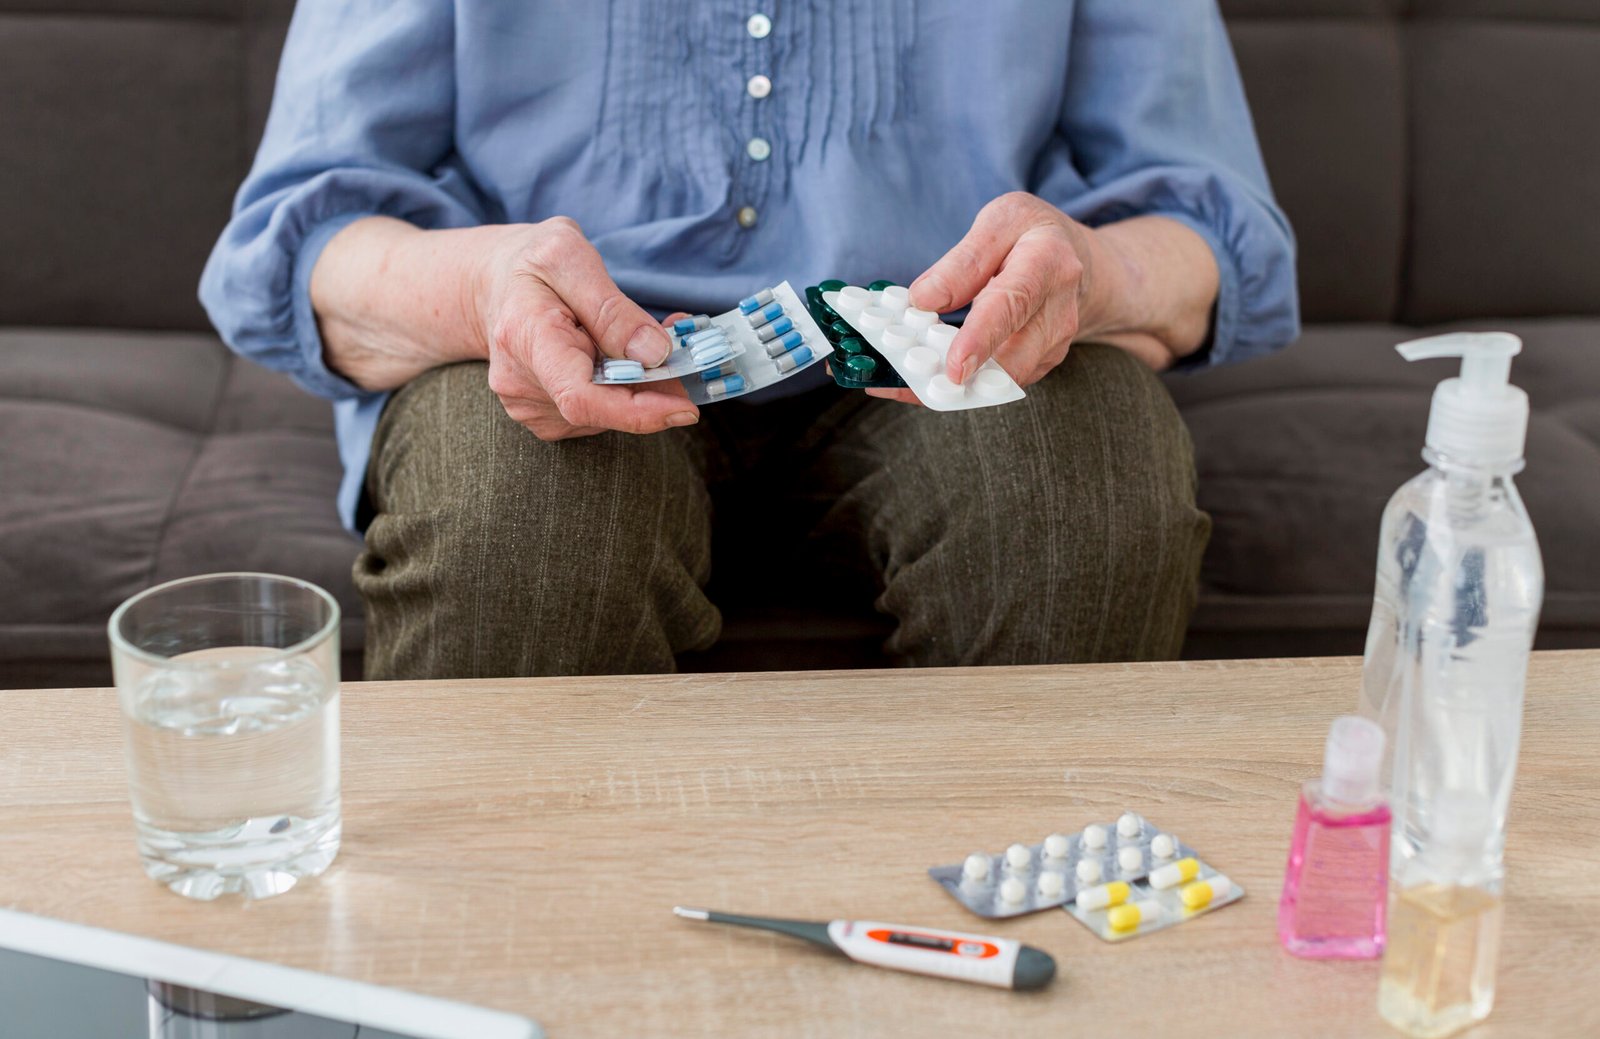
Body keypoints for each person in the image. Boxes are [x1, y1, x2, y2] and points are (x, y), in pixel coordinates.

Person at [201, 2, 1298, 679]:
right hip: (557, 360)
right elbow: (299, 244)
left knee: (1081, 492)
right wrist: (488, 291)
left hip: (946, 353)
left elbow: (1206, 229)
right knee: (520, 522)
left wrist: (1096, 271)